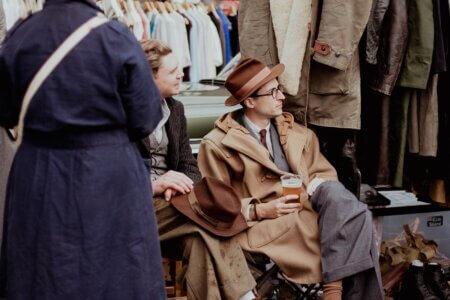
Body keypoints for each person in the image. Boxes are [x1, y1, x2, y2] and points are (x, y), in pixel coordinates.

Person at [0, 0, 165, 298]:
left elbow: (5, 111)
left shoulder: (21, 34)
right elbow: (146, 117)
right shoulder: (115, 36)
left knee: (43, 270)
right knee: (117, 271)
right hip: (109, 174)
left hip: (38, 171)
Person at [198, 58, 384, 300]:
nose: (281, 97)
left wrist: (314, 185)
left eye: (280, 89)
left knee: (351, 209)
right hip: (264, 227)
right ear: (251, 101)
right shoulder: (217, 145)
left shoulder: (297, 133)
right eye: (273, 92)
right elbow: (215, 204)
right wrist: (261, 210)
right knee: (357, 220)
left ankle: (333, 291)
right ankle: (336, 289)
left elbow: (322, 173)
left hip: (308, 214)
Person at [137, 39, 257, 300]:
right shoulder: (123, 115)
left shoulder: (175, 109)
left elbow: (188, 165)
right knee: (210, 218)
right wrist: (156, 185)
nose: (182, 73)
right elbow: (115, 175)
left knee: (200, 240)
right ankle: (246, 295)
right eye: (173, 71)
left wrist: (183, 186)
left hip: (172, 205)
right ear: (149, 77)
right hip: (136, 208)